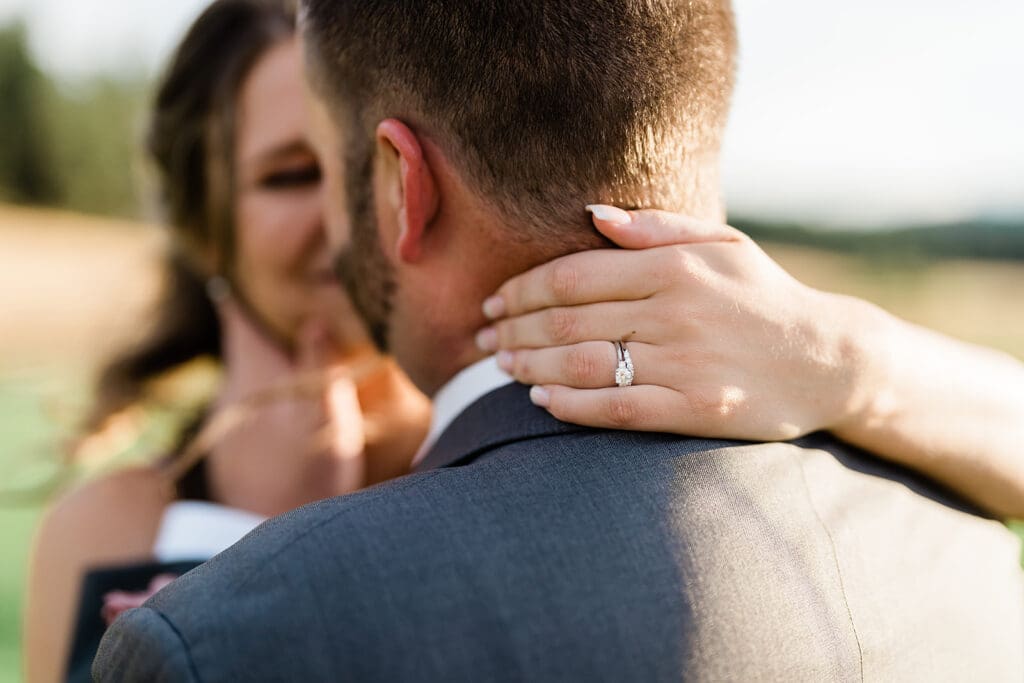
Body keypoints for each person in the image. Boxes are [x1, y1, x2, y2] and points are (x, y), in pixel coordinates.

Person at [95, 1, 1024, 680]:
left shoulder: (220, 640)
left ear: (398, 188)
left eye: (322, 168)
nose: (326, 238)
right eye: (281, 175)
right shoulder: (967, 534)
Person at [23, 2, 430, 681]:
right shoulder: (103, 534)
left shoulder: (506, 454)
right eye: (293, 175)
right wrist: (247, 536)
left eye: (367, 159)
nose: (342, 215)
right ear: (204, 230)